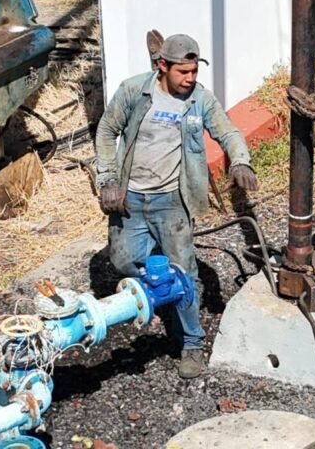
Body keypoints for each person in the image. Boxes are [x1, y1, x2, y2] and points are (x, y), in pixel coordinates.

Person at [94, 33, 259, 379]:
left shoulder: (199, 100)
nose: (190, 79)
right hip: (131, 198)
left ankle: (192, 343)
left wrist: (240, 161)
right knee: (122, 260)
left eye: (194, 71)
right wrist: (108, 179)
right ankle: (157, 288)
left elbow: (228, 132)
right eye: (183, 72)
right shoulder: (133, 91)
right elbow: (107, 130)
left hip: (172, 201)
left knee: (185, 273)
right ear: (162, 67)